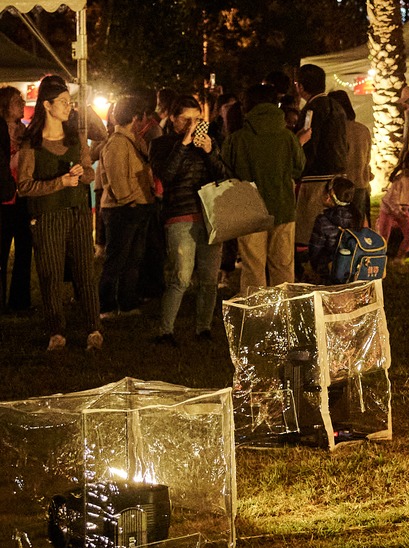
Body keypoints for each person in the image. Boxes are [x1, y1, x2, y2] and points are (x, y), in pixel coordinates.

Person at [14, 75, 100, 351]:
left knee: (85, 270)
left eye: (70, 102)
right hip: (47, 215)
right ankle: (56, 331)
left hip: (77, 211)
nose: (69, 107)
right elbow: (24, 186)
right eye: (63, 102)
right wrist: (58, 182)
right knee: (50, 273)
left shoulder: (76, 137)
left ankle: (93, 328)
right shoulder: (32, 144)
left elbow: (88, 173)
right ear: (47, 106)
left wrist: (81, 173)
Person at [152, 93, 229, 345]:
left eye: (197, 119)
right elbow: (167, 175)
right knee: (181, 277)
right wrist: (183, 144)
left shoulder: (209, 142)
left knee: (209, 278)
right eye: (186, 120)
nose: (192, 125)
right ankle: (165, 331)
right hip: (180, 215)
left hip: (209, 214)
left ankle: (203, 328)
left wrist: (209, 151)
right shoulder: (163, 145)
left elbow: (223, 175)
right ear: (173, 118)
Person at [223, 72, 306, 294]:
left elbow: (225, 171)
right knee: (283, 266)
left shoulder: (237, 139)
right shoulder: (287, 136)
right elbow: (299, 168)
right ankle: (284, 314)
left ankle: (257, 315)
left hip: (249, 208)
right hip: (283, 207)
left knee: (252, 267)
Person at [96, 94, 158, 317]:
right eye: (142, 117)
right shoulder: (117, 143)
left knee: (132, 259)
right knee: (117, 259)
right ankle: (106, 305)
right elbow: (116, 180)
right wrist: (129, 202)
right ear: (135, 118)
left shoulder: (131, 141)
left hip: (135, 207)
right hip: (123, 210)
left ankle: (127, 302)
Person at [0, 86, 34, 311]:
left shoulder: (26, 133)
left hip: (22, 198)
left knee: (24, 249)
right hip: (4, 200)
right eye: (16, 101)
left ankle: (19, 301)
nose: (21, 104)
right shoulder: (1, 131)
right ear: (4, 106)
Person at [304, 177, 359, 281]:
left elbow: (315, 250)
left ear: (330, 196)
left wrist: (316, 269)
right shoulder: (357, 216)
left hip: (330, 270)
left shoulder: (322, 220)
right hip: (354, 268)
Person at [377, 149, 409, 262]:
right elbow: (393, 199)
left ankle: (399, 257)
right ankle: (379, 258)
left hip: (404, 209)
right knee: (384, 236)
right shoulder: (400, 179)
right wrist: (399, 212)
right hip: (389, 209)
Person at [335, 90, 373, 226]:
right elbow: (368, 157)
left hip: (341, 184)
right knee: (357, 222)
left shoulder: (338, 130)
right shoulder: (363, 129)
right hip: (360, 182)